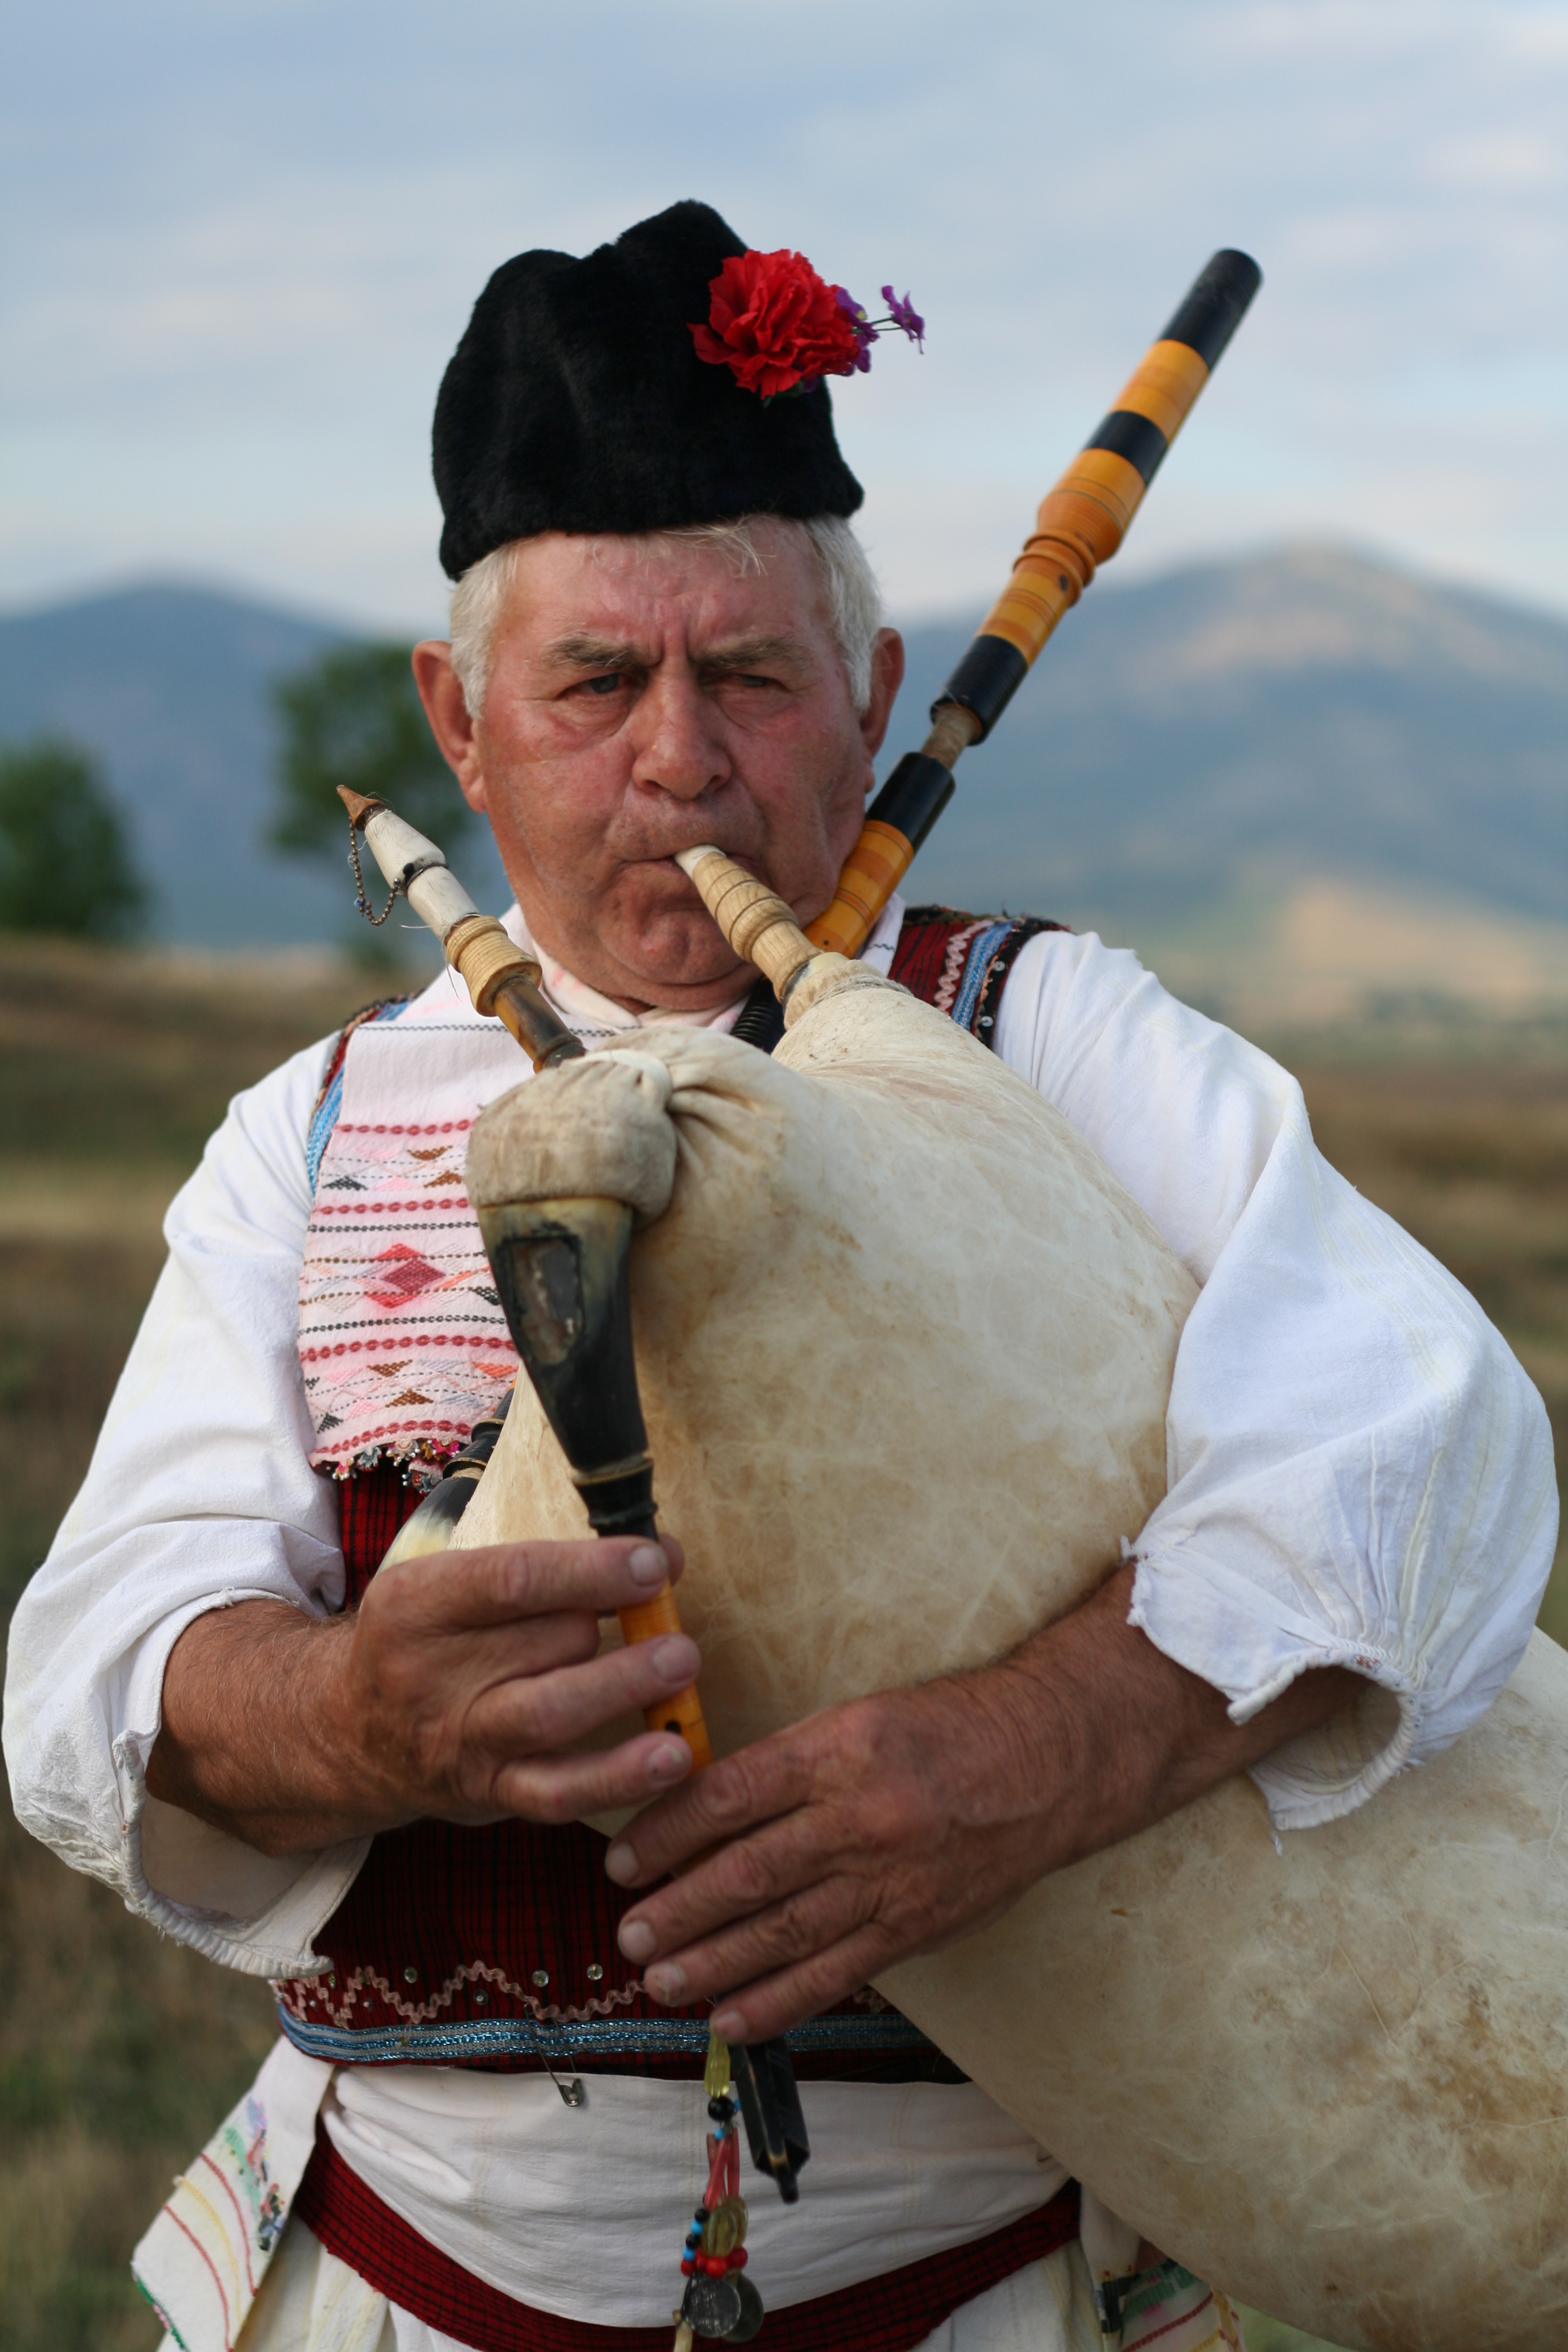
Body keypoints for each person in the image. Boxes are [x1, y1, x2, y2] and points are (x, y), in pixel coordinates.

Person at [3, 202, 1554, 2352]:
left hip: (977, 2286)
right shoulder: (320, 1127)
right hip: (396, 2283)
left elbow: (1419, 1430)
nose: (676, 758)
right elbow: (102, 1662)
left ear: (874, 694)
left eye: (746, 673)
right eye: (592, 684)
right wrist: (357, 1713)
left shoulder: (1049, 1035)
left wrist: (1044, 1750)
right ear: (461, 723)